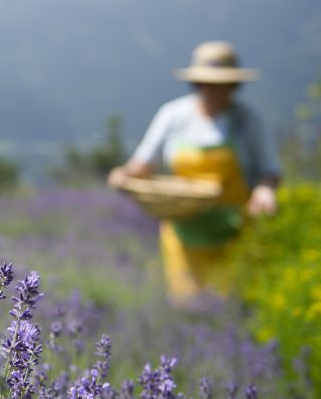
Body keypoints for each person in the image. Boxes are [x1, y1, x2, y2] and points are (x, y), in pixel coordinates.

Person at [108, 41, 281, 308]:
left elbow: (269, 171)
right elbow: (143, 164)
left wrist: (265, 190)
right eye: (202, 83)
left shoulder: (247, 120)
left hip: (235, 231)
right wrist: (123, 175)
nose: (209, 90)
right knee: (187, 305)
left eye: (219, 84)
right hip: (184, 232)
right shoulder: (174, 115)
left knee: (235, 306)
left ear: (233, 86)